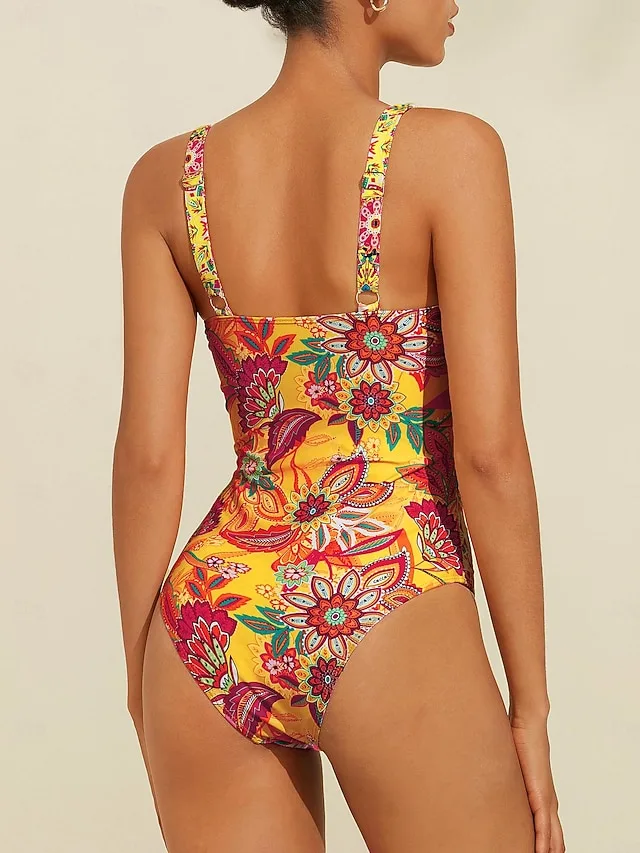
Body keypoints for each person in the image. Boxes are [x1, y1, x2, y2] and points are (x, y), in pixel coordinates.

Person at [112, 0, 565, 850]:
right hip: (386, 579)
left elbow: (148, 456)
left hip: (214, 614)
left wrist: (142, 674)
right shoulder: (453, 153)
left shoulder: (166, 180)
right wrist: (531, 708)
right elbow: (491, 454)